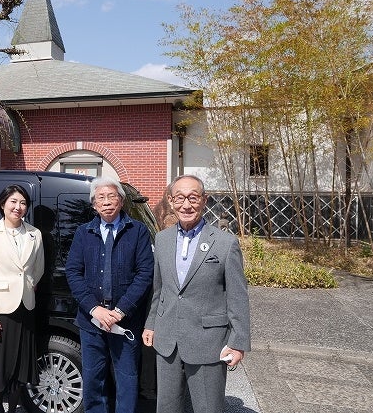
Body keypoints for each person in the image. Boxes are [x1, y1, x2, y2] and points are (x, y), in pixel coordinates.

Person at [142, 175, 251, 413]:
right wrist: (151, 324)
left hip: (208, 340)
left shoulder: (225, 243)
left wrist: (238, 342)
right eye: (179, 198)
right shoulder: (162, 239)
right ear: (171, 201)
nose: (186, 205)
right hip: (167, 338)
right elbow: (159, 289)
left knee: (207, 407)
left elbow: (237, 296)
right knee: (166, 407)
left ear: (204, 200)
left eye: (193, 198)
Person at [65, 176, 154, 413]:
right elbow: (73, 272)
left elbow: (145, 273)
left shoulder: (138, 231)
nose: (106, 202)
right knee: (94, 378)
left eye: (111, 196)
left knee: (127, 377)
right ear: (94, 205)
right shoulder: (84, 232)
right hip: (91, 320)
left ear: (121, 201)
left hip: (125, 320)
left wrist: (119, 311)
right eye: (100, 198)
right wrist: (95, 309)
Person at [0, 185, 45, 413]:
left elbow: (39, 267)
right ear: (2, 204)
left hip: (25, 307)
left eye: (23, 203)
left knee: (20, 368)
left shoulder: (35, 234)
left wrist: (29, 284)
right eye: (13, 202)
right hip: (0, 310)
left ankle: (13, 409)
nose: (18, 207)